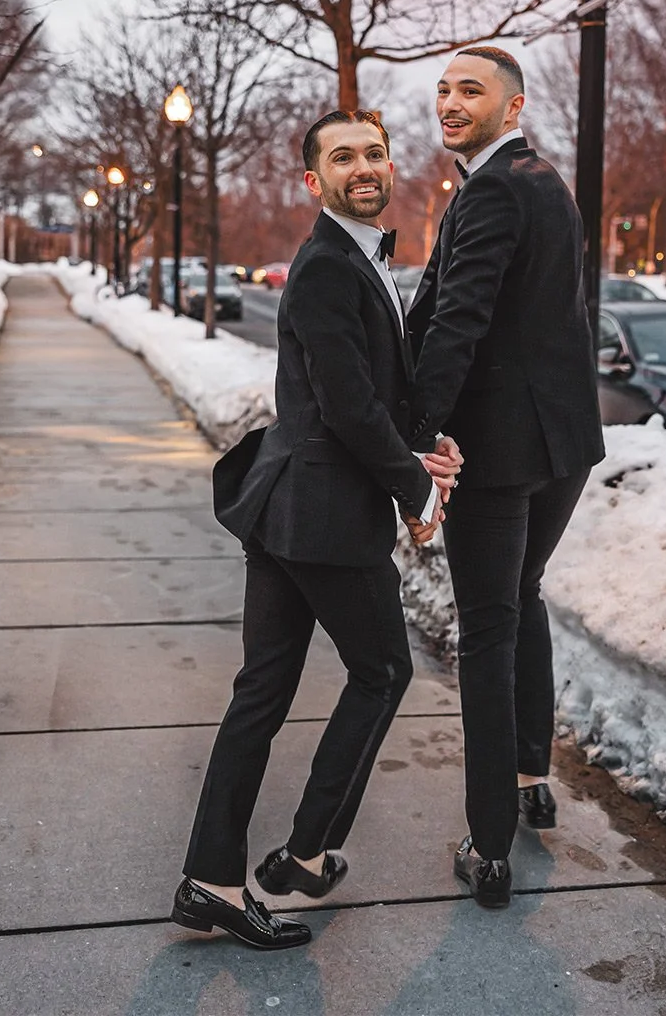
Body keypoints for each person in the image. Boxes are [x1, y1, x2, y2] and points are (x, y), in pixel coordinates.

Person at [174, 109, 460, 950]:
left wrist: (422, 445)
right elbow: (346, 406)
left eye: (374, 153)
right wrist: (413, 487)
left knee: (261, 693)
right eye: (343, 158)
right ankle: (303, 856)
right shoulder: (330, 265)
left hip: (290, 507)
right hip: (326, 516)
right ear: (314, 180)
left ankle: (212, 880)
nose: (364, 167)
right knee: (381, 673)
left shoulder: (352, 258)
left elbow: (369, 390)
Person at [407, 46, 605, 909]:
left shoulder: (490, 189)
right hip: (563, 445)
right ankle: (530, 776)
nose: (450, 103)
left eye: (470, 91)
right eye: (445, 89)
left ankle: (489, 846)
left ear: (511, 107)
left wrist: (414, 440)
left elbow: (459, 322)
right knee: (523, 598)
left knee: (486, 628)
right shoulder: (547, 183)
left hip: (498, 451)